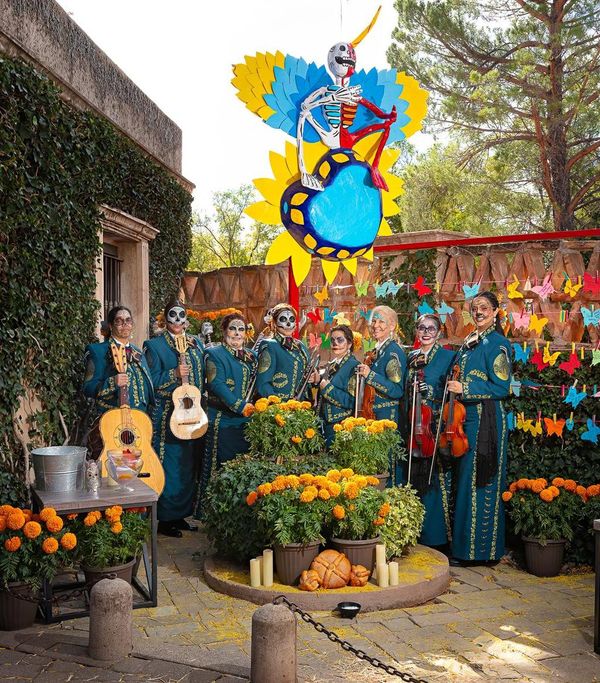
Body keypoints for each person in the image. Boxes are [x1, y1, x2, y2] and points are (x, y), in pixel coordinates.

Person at [448, 292, 512, 564]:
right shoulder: (469, 342)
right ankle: (465, 549)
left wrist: (464, 388)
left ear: (496, 311)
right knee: (466, 482)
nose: (479, 312)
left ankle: (482, 553)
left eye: (484, 307)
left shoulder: (498, 344)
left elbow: (501, 387)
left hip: (487, 420)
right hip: (467, 420)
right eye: (475, 308)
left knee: (481, 482)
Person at [143, 301, 205, 538]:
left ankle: (181, 515)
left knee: (187, 464)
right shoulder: (154, 346)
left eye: (181, 315)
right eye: (173, 315)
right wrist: (173, 374)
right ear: (165, 318)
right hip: (167, 415)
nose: (178, 320)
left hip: (193, 413)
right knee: (168, 464)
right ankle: (165, 518)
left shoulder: (195, 344)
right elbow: (150, 381)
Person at [196, 313, 256, 517]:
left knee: (243, 470)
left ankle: (238, 515)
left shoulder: (251, 356)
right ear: (223, 331)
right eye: (232, 328)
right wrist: (240, 406)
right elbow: (216, 384)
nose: (237, 333)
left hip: (246, 421)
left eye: (241, 329)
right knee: (219, 468)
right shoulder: (214, 353)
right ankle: (211, 515)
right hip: (221, 419)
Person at [405, 314, 455, 547]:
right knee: (415, 477)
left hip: (435, 425)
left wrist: (431, 392)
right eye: (421, 328)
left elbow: (451, 391)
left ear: (439, 332)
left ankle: (438, 538)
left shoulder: (447, 357)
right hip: (414, 424)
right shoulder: (412, 356)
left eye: (431, 328)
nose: (426, 332)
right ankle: (417, 533)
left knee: (436, 479)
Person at [83, 306, 153, 456]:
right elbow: (88, 387)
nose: (124, 324)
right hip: (112, 425)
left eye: (128, 320)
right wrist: (112, 382)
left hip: (139, 424)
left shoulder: (138, 353)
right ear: (110, 325)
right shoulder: (98, 351)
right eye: (119, 321)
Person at [356, 305, 407, 483]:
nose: (375, 325)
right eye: (374, 321)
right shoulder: (378, 350)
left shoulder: (393, 352)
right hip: (374, 415)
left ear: (392, 326)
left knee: (388, 466)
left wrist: (370, 375)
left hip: (387, 417)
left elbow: (396, 390)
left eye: (381, 322)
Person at [311, 324, 360, 446]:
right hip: (324, 423)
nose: (335, 343)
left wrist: (325, 386)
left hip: (341, 424)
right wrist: (317, 381)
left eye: (340, 340)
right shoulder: (332, 364)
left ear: (349, 344)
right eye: (332, 340)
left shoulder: (354, 366)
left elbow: (352, 401)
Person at [255, 303, 311, 400]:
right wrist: (278, 405)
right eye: (283, 319)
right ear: (274, 323)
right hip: (278, 406)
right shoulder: (269, 345)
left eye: (292, 319)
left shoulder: (301, 346)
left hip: (301, 405)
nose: (288, 324)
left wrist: (314, 379)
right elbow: (263, 384)